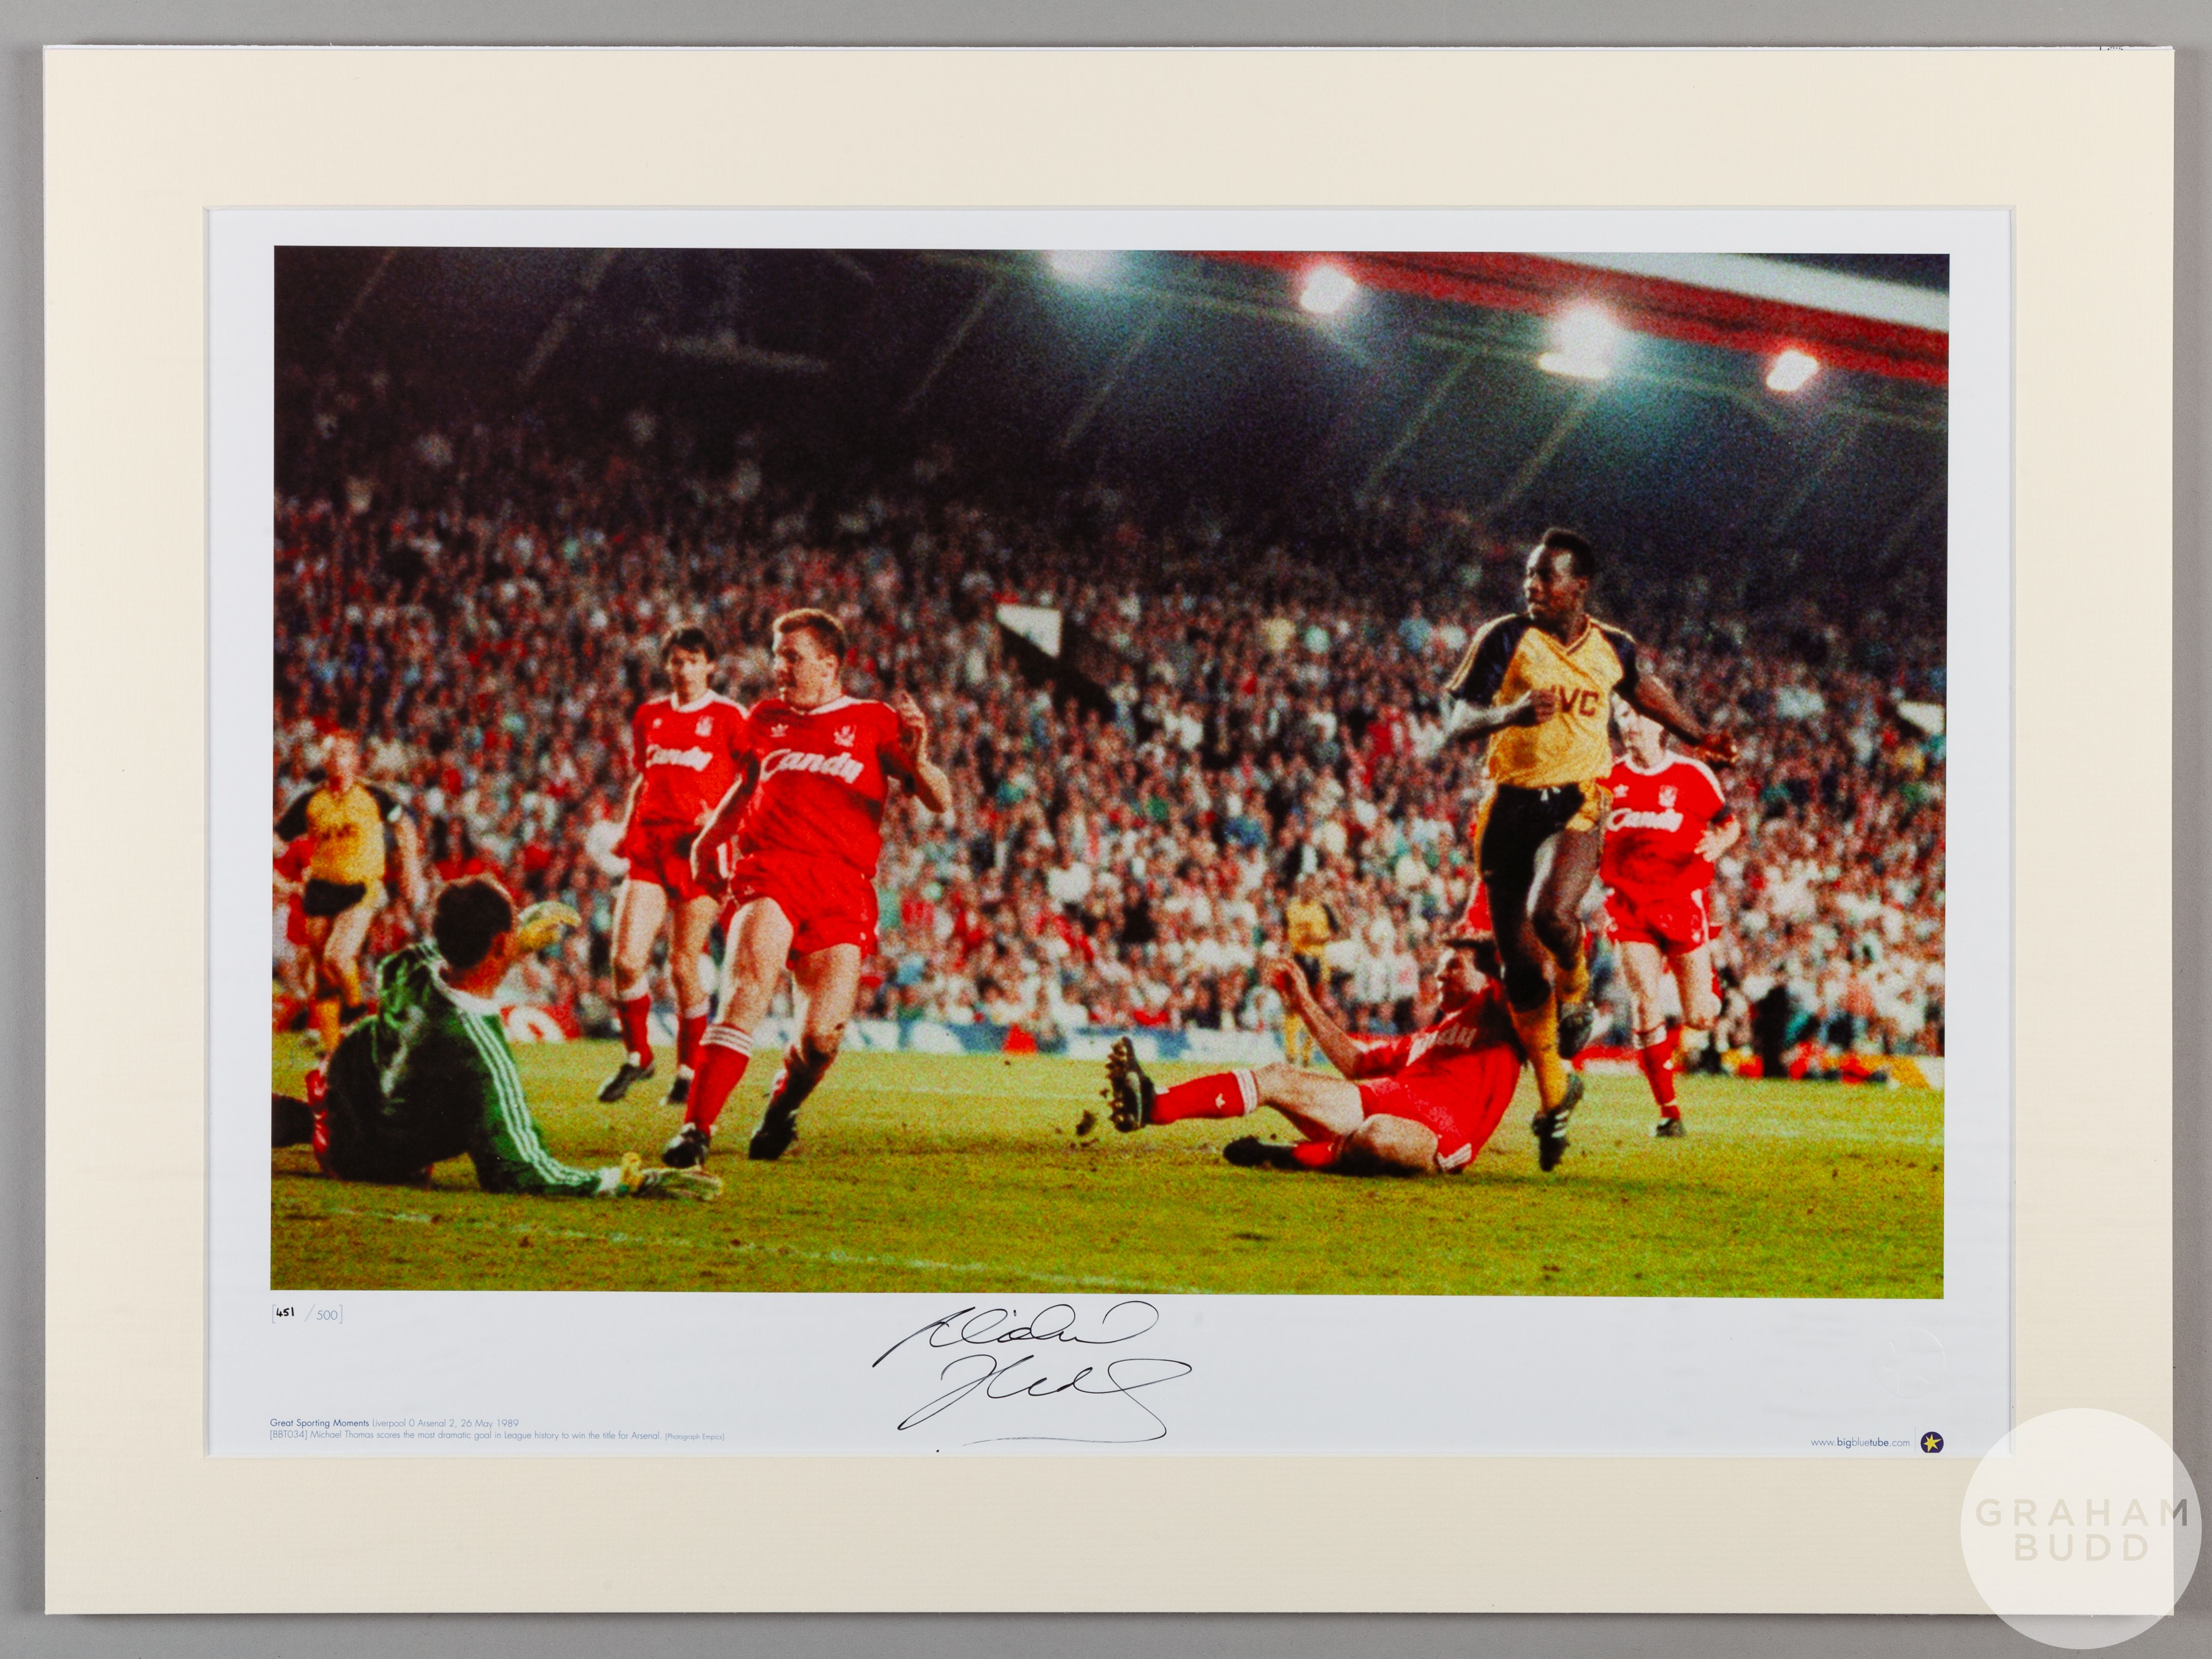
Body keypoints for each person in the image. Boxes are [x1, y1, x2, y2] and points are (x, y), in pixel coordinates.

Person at [1442, 528, 1736, 1170]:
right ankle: (1554, 1095)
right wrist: (1510, 714)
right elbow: (1455, 718)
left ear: (1579, 587)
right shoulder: (1504, 638)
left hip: (1578, 800)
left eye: (1546, 577)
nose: (1532, 587)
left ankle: (1576, 992)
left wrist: (1697, 734)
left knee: (1554, 914)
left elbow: (1642, 688)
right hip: (1509, 803)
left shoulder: (1612, 648)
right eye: (1528, 576)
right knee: (1518, 966)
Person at [661, 609, 952, 1167]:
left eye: (791, 656)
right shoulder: (765, 718)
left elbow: (940, 799)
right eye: (776, 655)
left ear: (829, 664)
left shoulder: (872, 720)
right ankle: (696, 1131)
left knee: (822, 1038)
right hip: (772, 868)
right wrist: (707, 840)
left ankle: (781, 1108)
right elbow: (747, 787)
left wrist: (918, 760)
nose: (779, 667)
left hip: (843, 887)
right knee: (748, 985)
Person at [271, 875, 718, 1200]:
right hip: (366, 1157)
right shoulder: (479, 1055)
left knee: (377, 1062)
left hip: (340, 1089)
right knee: (446, 1118)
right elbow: (522, 1168)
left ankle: (290, 1120)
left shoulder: (409, 970)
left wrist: (510, 938)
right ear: (502, 944)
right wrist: (627, 1181)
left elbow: (415, 959)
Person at [1103, 889, 1536, 1176]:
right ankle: (1156, 1104)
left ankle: (1293, 1156)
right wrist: (1305, 1004)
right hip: (1372, 1103)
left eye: (1453, 968)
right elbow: (1355, 1063)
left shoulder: (1502, 1012)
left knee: (1380, 1135)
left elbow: (1530, 965)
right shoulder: (1425, 1038)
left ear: (1487, 977)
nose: (1439, 976)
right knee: (1276, 1076)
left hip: (1433, 1138)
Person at [597, 626, 751, 1108]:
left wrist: (720, 821)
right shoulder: (650, 716)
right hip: (650, 843)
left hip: (700, 849)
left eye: (693, 660)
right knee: (625, 960)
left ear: (710, 666)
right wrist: (626, 829)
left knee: (684, 966)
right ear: (668, 667)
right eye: (676, 661)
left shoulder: (729, 716)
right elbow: (643, 779)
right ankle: (638, 1056)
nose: (684, 669)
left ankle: (688, 1070)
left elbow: (753, 781)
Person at [1601, 701, 1741, 1135]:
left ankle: (1711, 985)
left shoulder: (1691, 776)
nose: (1630, 726)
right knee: (1643, 999)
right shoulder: (1607, 779)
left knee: (1700, 1016)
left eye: (1637, 717)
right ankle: (1668, 1111)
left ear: (1659, 725)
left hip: (1681, 901)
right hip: (1629, 905)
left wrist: (1718, 846)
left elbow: (1730, 824)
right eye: (1622, 718)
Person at [272, 731, 425, 1054]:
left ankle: (357, 1017)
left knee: (338, 957)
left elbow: (404, 826)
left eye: (345, 754)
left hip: (361, 887)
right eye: (332, 755)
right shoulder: (311, 802)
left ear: (356, 761)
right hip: (319, 890)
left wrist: (410, 866)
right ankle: (333, 1052)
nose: (338, 760)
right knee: (322, 975)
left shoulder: (373, 796)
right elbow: (278, 839)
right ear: (326, 762)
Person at [1280, 870, 1335, 1067]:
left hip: (1317, 960)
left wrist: (1318, 939)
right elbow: (1283, 934)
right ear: (1301, 887)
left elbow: (1335, 933)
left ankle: (1307, 1054)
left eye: (1314, 886)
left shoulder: (1323, 909)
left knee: (1315, 1006)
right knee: (1293, 1004)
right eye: (1307, 885)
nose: (1310, 889)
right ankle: (1291, 1052)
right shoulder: (1291, 908)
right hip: (1297, 958)